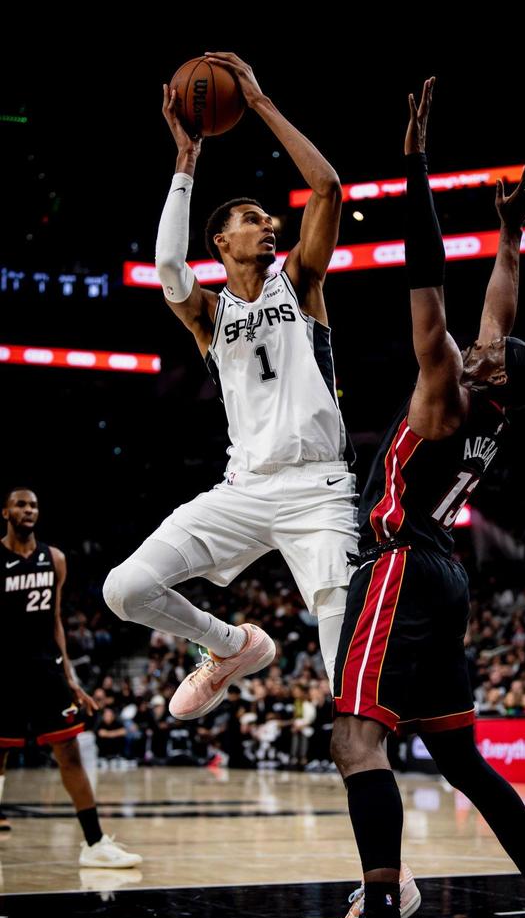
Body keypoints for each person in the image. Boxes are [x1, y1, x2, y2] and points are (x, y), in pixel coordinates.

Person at [285, 80, 525, 918]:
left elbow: (427, 277)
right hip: (442, 573)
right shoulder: (492, 395)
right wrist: (509, 234)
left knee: (355, 739)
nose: (477, 340)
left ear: (490, 375)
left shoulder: (445, 393)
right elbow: (502, 308)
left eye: (486, 349)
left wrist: (416, 165)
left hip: (399, 567)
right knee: (462, 757)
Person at [103, 51, 358, 722]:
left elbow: (328, 188)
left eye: (270, 219)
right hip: (243, 488)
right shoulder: (209, 315)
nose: (268, 224)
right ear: (219, 241)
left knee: (347, 687)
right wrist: (186, 161)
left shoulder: (299, 282)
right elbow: (166, 265)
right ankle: (232, 646)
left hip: (320, 490)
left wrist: (260, 102)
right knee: (123, 590)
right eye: (252, 218)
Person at [0, 488, 142, 867]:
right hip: (5, 673)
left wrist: (70, 678)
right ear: (6, 512)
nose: (28, 510)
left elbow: (55, 621)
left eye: (33, 505)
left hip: (45, 672)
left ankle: (95, 844)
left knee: (70, 754)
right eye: (20, 504)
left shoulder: (55, 559)